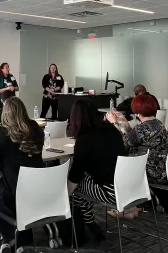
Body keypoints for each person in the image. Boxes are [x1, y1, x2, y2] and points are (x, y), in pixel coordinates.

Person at [0, 97, 44, 253]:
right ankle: (22, 233)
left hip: (15, 192)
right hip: (40, 190)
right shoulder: (37, 129)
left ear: (5, 114)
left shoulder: (1, 134)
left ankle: (10, 235)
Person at [68, 99, 126, 238]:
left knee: (75, 188)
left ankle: (83, 227)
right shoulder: (112, 129)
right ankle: (89, 222)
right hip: (128, 186)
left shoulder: (84, 139)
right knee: (83, 181)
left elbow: (75, 175)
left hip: (111, 191)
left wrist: (63, 195)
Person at [108, 95, 168, 214]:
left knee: (117, 165)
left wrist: (114, 123)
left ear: (137, 110)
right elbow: (133, 137)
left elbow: (124, 143)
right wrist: (123, 121)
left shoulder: (143, 128)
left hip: (151, 170)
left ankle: (128, 206)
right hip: (163, 167)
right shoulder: (157, 123)